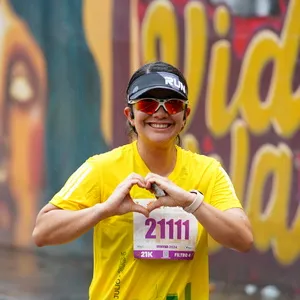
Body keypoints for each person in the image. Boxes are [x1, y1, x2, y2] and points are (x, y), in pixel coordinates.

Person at [32, 61, 253, 300]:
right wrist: (105, 210)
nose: (161, 112)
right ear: (131, 114)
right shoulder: (101, 168)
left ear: (185, 115)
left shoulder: (208, 171)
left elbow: (243, 239)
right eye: (147, 104)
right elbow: (43, 231)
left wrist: (192, 203)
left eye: (173, 103)